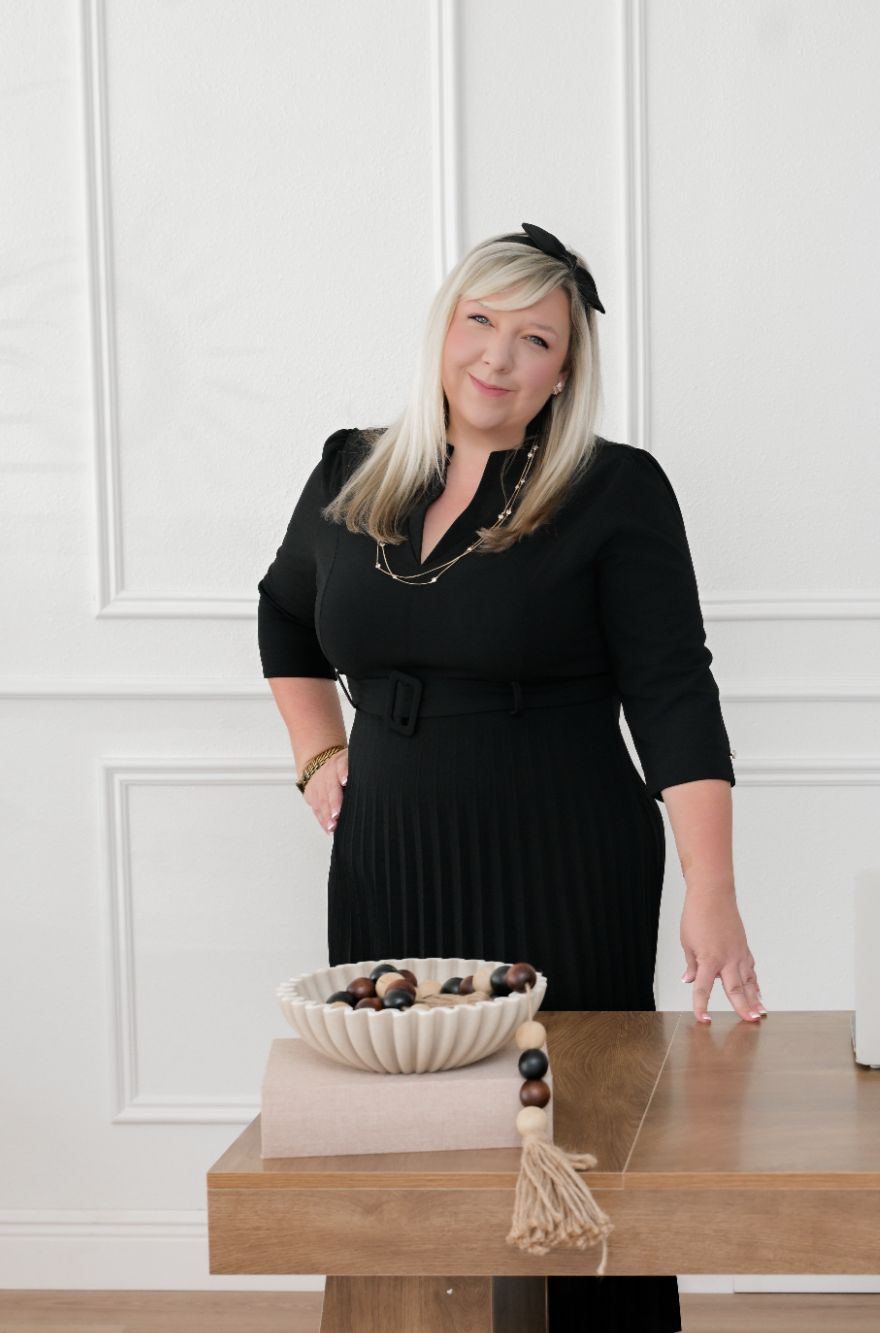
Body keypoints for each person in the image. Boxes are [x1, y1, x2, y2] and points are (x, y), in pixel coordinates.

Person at [256, 221, 763, 1333]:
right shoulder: (351, 465)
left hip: (562, 853)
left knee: (572, 1137)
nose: (497, 356)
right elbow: (285, 611)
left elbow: (673, 693)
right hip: (389, 851)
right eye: (479, 321)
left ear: (565, 368)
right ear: (443, 328)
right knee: (401, 1137)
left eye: (534, 338)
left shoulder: (613, 487)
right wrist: (318, 753)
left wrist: (712, 890)